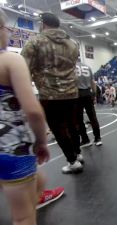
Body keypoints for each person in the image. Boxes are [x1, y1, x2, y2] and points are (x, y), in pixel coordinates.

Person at [0, 9, 64, 224]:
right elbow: (34, 111)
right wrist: (41, 142)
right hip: (11, 149)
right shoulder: (10, 61)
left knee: (36, 180)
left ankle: (36, 193)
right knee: (23, 217)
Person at [21, 12, 83, 173]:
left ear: (43, 23)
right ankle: (78, 153)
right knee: (72, 125)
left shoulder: (34, 42)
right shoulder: (72, 44)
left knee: (58, 128)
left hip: (50, 94)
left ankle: (72, 161)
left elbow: (22, 70)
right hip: (72, 92)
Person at [76, 61, 102, 147]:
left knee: (78, 119)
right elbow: (93, 83)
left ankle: (85, 139)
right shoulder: (87, 67)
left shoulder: (70, 67)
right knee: (93, 117)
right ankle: (98, 138)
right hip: (87, 93)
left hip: (76, 94)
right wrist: (94, 94)